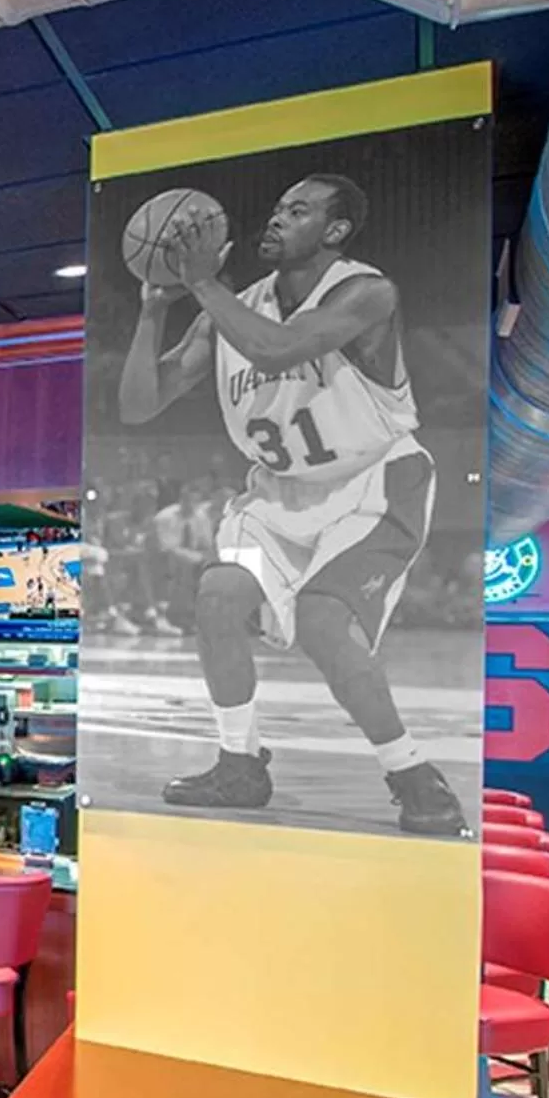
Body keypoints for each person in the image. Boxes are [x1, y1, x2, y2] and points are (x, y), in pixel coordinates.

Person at [117, 175, 466, 836]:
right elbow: (138, 405)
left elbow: (275, 348)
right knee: (218, 594)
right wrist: (154, 308)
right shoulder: (232, 309)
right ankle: (239, 764)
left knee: (321, 620)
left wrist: (201, 283)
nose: (277, 219)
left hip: (372, 484)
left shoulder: (366, 292)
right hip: (276, 500)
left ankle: (411, 772)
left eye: (298, 211)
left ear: (335, 231)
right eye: (277, 208)